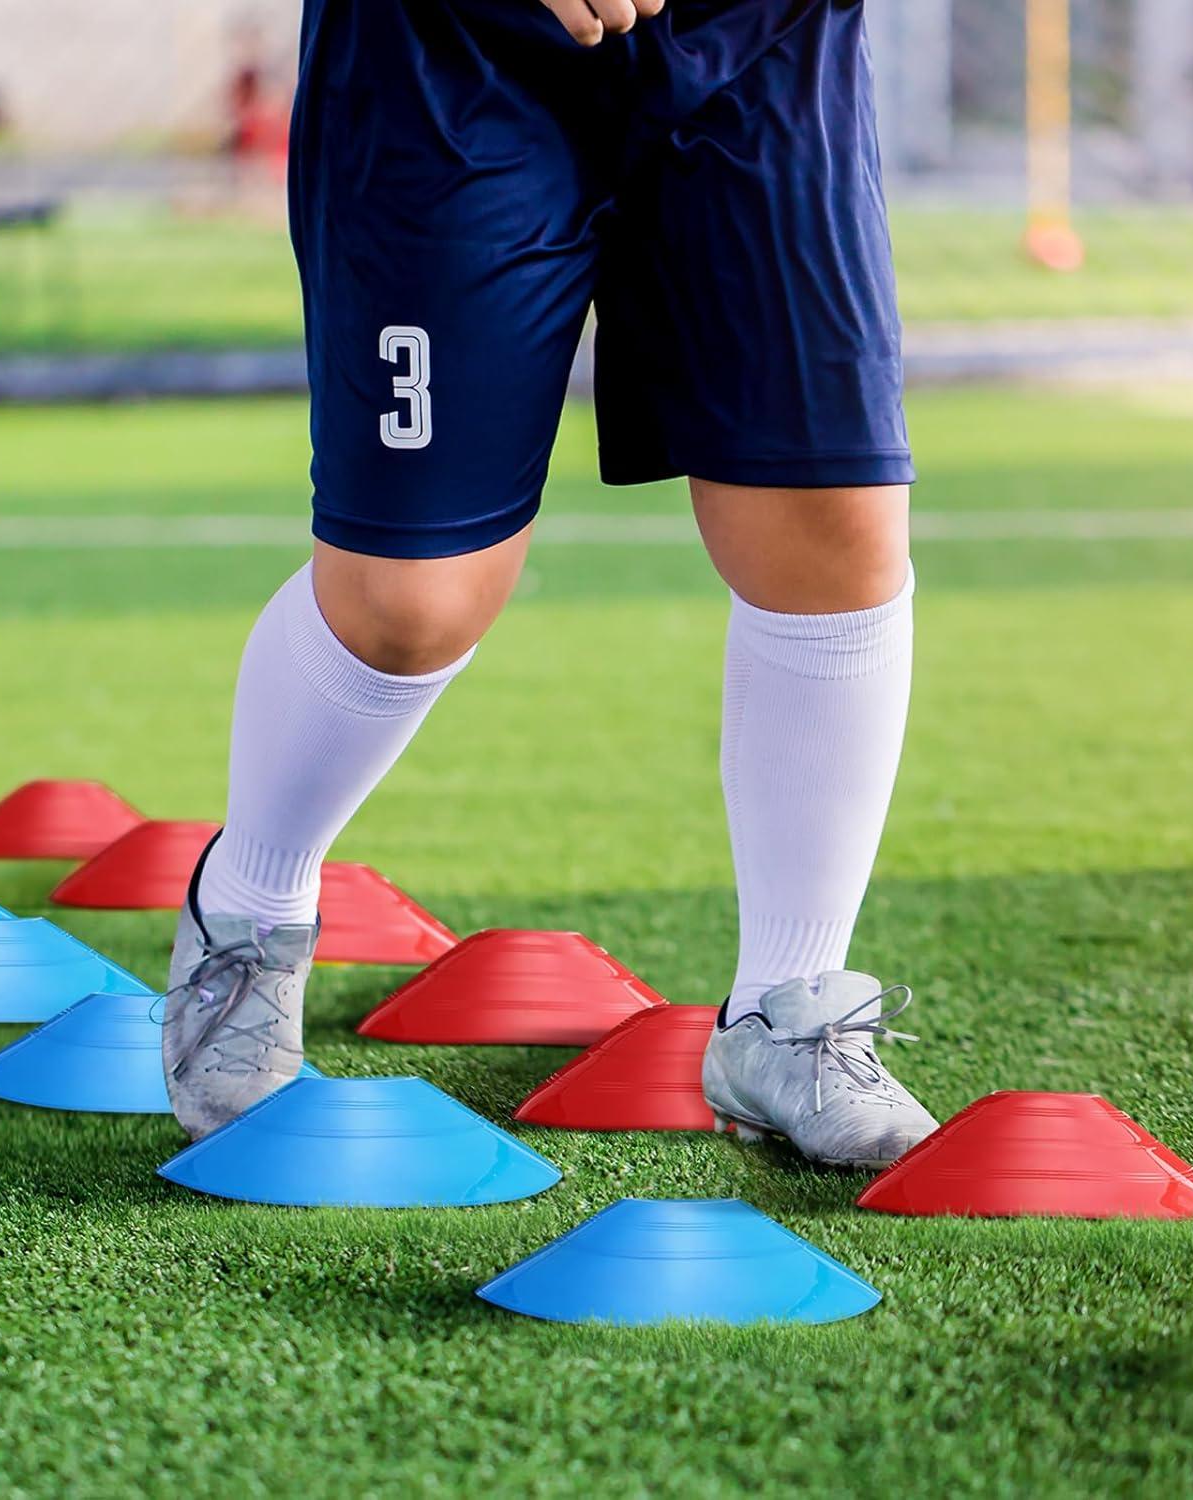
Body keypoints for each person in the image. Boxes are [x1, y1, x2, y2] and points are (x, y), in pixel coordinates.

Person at [162, 0, 939, 1171]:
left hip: (760, 40)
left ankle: (790, 1005)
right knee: (409, 601)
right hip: (453, 49)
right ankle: (251, 908)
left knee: (831, 531)